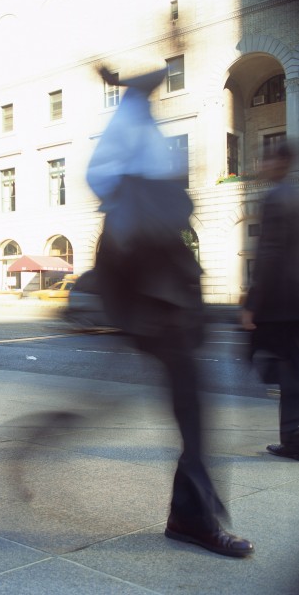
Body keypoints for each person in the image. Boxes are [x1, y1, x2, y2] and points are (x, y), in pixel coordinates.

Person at [87, 66, 254, 557]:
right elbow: (128, 224)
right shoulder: (130, 153)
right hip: (158, 304)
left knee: (192, 413)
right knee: (192, 412)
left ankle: (189, 516)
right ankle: (195, 519)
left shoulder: (137, 142)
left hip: (166, 300)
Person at [242, 142, 299, 460]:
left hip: (279, 303)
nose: (261, 164)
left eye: (265, 159)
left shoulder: (276, 197)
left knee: (285, 372)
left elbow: (268, 253)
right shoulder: (295, 195)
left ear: (279, 163)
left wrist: (251, 304)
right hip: (294, 301)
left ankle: (293, 440)